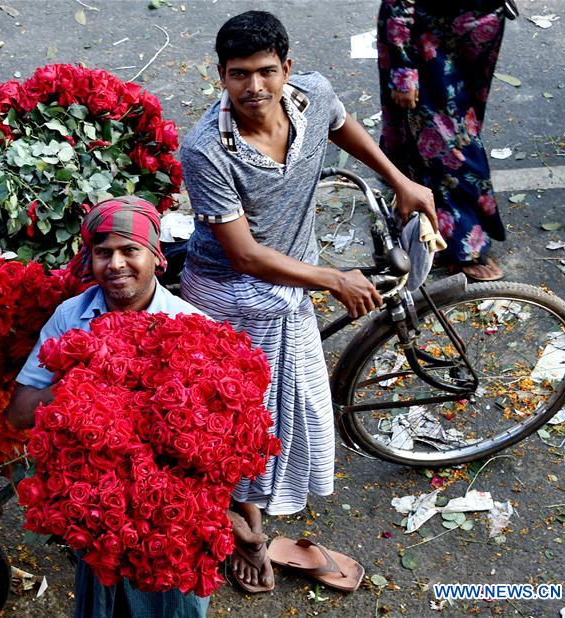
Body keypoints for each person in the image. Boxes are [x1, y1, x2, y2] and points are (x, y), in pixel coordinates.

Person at [179, 10, 436, 593]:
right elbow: (242, 255)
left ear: (288, 69)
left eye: (266, 72)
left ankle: (248, 514)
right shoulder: (204, 149)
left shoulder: (313, 94)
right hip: (231, 296)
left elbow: (342, 126)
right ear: (220, 76)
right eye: (239, 75)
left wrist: (400, 180)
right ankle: (242, 530)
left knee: (275, 418)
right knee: (237, 424)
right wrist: (330, 278)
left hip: (294, 281)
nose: (255, 88)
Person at [7, 196, 208, 618]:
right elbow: (21, 411)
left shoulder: (191, 327)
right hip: (95, 509)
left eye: (129, 250)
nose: (115, 264)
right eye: (103, 253)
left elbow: (216, 449)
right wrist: (88, 387)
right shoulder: (71, 318)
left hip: (167, 518)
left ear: (156, 256)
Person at [378, 0, 507, 281]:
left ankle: (415, 194)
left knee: (455, 124)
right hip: (427, 33)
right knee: (450, 141)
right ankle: (460, 242)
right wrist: (402, 68)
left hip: (480, 28)